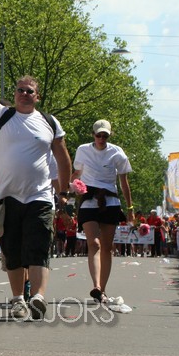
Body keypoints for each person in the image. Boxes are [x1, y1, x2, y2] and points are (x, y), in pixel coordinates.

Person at [0, 46, 71, 320]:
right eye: (20, 90)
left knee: (38, 248)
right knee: (13, 251)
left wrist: (64, 193)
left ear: (37, 96)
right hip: (8, 197)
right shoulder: (1, 117)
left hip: (40, 197)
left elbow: (63, 158)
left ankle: (38, 297)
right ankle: (18, 299)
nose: (24, 94)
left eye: (30, 91)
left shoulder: (49, 122)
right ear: (14, 94)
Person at [71, 119, 134, 305]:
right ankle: (96, 286)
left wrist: (130, 208)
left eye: (105, 135)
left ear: (109, 135)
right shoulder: (83, 150)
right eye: (98, 135)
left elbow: (124, 182)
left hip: (110, 201)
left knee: (107, 247)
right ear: (93, 135)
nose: (101, 138)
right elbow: (76, 174)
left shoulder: (117, 152)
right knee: (94, 243)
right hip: (89, 200)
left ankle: (103, 290)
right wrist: (71, 188)